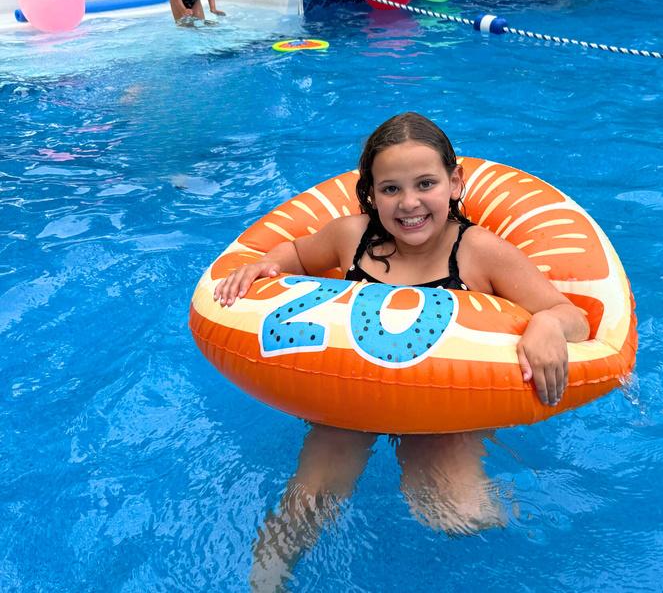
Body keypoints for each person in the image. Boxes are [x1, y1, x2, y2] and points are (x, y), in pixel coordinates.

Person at [213, 113, 590, 590]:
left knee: (454, 515)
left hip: (447, 407)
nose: (409, 203)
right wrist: (263, 267)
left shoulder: (479, 252)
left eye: (425, 184)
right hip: (351, 399)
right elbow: (298, 255)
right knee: (307, 501)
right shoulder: (351, 237)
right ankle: (264, 584)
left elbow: (571, 316)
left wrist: (546, 323)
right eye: (390, 189)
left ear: (455, 183)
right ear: (371, 193)